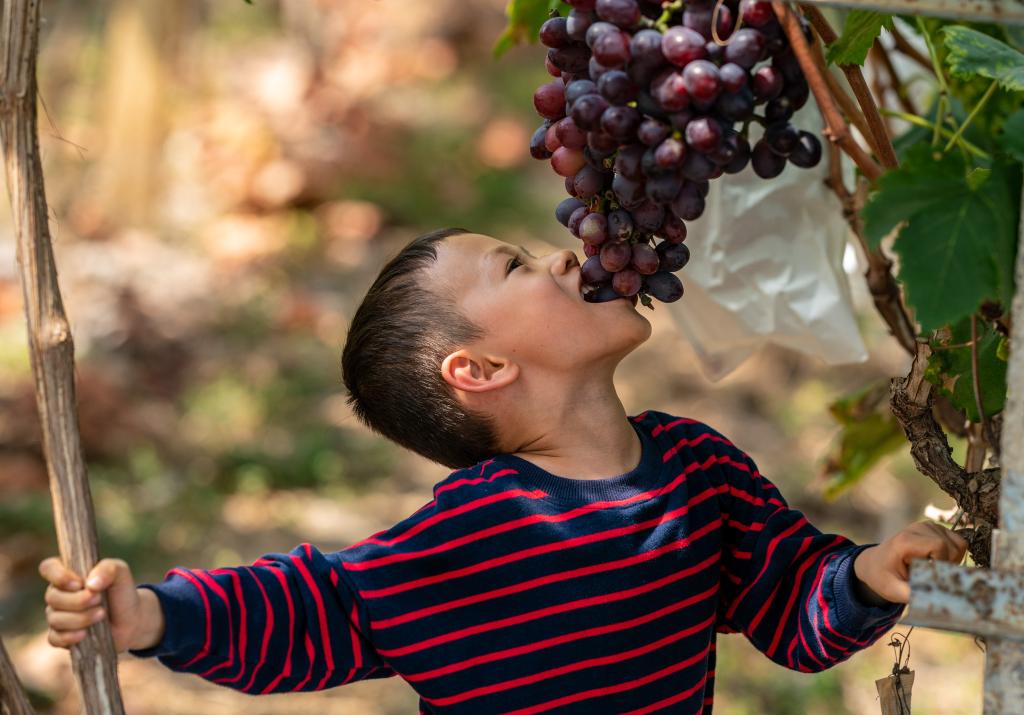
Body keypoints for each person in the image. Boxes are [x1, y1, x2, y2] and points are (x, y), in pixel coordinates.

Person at [40, 229, 968, 713]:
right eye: (516, 265)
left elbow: (788, 605)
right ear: (480, 372)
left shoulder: (697, 466)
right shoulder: (478, 530)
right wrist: (153, 614)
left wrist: (864, 576)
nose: (565, 253)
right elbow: (325, 607)